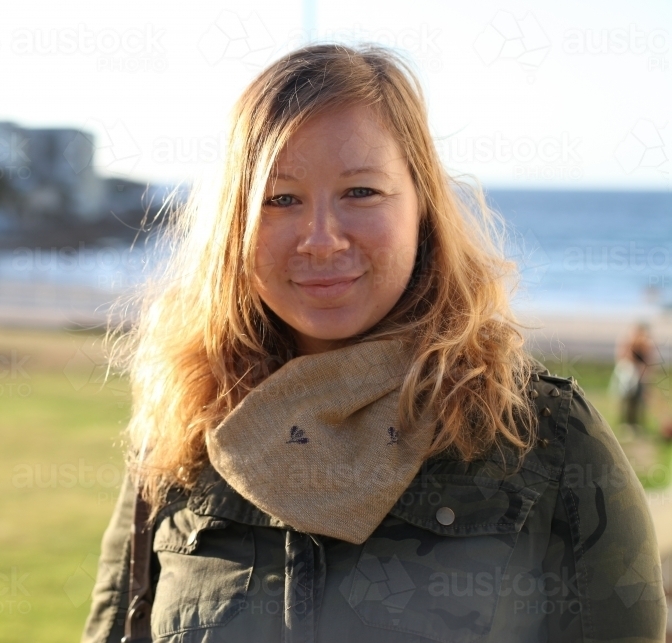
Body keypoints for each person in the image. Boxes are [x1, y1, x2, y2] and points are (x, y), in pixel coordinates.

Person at [82, 44, 666, 642]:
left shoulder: (543, 436)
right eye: (279, 199)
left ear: (423, 207)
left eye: (361, 192)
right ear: (235, 226)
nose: (321, 240)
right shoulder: (182, 433)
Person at [612, 322, 658, 433]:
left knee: (640, 400)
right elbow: (623, 357)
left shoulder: (646, 345)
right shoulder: (628, 341)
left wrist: (646, 373)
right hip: (629, 375)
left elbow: (649, 361)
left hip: (640, 376)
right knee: (627, 399)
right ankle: (626, 423)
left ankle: (637, 424)